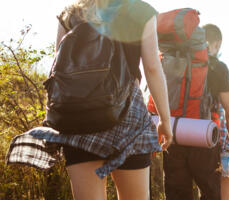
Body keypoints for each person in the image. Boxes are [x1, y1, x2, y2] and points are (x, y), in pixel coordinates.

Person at [7, 0, 173, 199]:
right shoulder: (140, 11)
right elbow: (152, 68)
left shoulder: (70, 13)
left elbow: (57, 72)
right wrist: (165, 119)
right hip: (129, 116)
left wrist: (52, 119)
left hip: (78, 117)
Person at [201, 24, 229, 200]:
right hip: (214, 143)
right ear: (217, 44)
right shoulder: (219, 67)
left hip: (181, 138)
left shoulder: (183, 64)